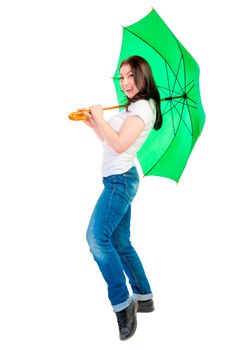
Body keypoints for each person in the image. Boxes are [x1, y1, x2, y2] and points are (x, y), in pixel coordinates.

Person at [80, 55, 162, 341]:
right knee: (119, 241)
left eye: (131, 76)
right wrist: (94, 123)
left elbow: (119, 144)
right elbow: (110, 140)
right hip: (117, 179)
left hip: (120, 182)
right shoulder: (135, 107)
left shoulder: (142, 108)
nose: (125, 82)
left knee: (96, 238)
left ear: (143, 76)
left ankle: (122, 304)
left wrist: (102, 118)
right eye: (122, 76)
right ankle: (144, 295)